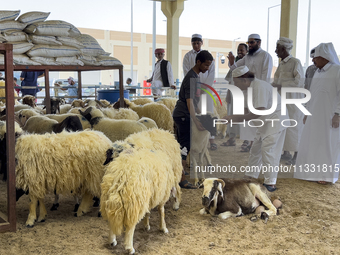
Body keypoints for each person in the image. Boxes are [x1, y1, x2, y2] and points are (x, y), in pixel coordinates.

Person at [224, 66, 287, 192]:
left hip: (275, 120)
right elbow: (246, 110)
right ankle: (251, 176)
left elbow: (258, 112)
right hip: (264, 122)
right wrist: (230, 118)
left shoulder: (259, 86)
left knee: (268, 151)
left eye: (236, 83)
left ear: (244, 80)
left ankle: (270, 183)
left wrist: (234, 119)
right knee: (255, 150)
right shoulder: (246, 89)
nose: (235, 86)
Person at [294, 42, 340, 185]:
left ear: (325, 57)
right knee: (312, 142)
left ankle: (326, 176)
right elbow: (311, 94)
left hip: (329, 116)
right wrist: (306, 112)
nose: (313, 60)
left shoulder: (337, 70)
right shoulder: (317, 72)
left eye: (316, 57)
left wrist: (338, 114)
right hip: (314, 115)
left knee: (328, 144)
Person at [173, 50, 213, 189]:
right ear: (198, 62)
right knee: (185, 146)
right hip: (184, 114)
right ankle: (181, 179)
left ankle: (179, 173)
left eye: (209, 66)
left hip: (184, 113)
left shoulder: (195, 77)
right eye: (206, 65)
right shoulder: (192, 78)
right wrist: (196, 120)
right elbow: (189, 101)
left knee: (183, 145)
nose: (207, 68)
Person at [272, 37, 304, 165]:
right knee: (284, 126)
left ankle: (297, 155)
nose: (275, 51)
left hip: (294, 102)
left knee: (295, 128)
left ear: (283, 49)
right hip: (282, 101)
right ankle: (286, 153)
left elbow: (299, 81)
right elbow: (276, 82)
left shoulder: (295, 62)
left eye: (277, 49)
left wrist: (281, 85)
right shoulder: (281, 64)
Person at [183, 34, 217, 150]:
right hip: (194, 89)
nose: (196, 45)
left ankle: (211, 140)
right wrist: (197, 86)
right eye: (194, 43)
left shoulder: (209, 56)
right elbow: (187, 72)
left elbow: (211, 74)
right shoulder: (187, 56)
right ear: (191, 43)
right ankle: (199, 142)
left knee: (208, 113)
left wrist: (204, 87)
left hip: (206, 91)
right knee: (197, 113)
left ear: (202, 43)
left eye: (198, 43)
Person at [222, 43, 248, 149]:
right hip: (233, 95)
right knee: (232, 115)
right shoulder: (234, 64)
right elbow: (230, 81)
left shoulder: (247, 63)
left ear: (247, 51)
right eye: (238, 50)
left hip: (244, 95)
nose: (240, 52)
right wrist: (228, 95)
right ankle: (231, 138)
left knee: (245, 116)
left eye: (242, 50)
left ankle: (246, 140)